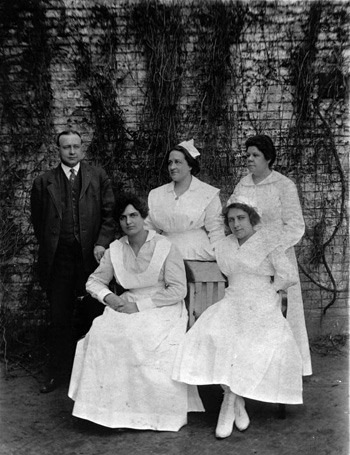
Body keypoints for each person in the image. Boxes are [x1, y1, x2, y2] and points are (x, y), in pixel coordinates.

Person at [68, 194, 204, 431]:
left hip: (162, 306)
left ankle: (142, 414)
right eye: (122, 218)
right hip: (126, 303)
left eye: (133, 215)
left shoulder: (165, 246)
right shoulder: (115, 249)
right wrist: (109, 297)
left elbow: (178, 290)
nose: (128, 222)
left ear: (144, 217)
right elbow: (94, 281)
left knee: (135, 336)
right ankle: (107, 412)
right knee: (101, 332)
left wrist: (140, 306)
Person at [173, 197, 303, 439]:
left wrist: (270, 291)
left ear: (252, 218)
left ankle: (228, 404)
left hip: (262, 300)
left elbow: (288, 275)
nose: (236, 224)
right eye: (231, 220)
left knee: (248, 338)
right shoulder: (224, 246)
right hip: (233, 299)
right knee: (210, 333)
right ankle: (235, 402)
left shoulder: (268, 241)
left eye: (241, 218)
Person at [30, 130, 115, 393]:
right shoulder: (44, 181)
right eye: (66, 147)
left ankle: (95, 374)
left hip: (91, 258)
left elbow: (110, 215)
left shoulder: (97, 176)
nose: (71, 151)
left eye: (76, 146)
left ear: (83, 148)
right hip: (60, 261)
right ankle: (58, 372)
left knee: (94, 313)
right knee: (60, 318)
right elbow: (38, 220)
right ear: (58, 150)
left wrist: (101, 242)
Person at [227, 135, 312, 376]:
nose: (250, 160)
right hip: (251, 256)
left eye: (255, 155)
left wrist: (272, 246)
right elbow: (232, 214)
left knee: (283, 310)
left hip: (278, 252)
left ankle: (289, 369)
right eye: (247, 155)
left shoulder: (284, 185)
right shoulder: (243, 185)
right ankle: (254, 369)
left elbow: (296, 225)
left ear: (269, 158)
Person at [144, 139, 225, 260]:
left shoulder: (207, 193)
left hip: (197, 254)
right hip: (164, 253)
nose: (172, 167)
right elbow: (148, 228)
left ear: (190, 165)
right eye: (170, 163)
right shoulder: (157, 194)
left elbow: (216, 229)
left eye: (178, 162)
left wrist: (218, 256)